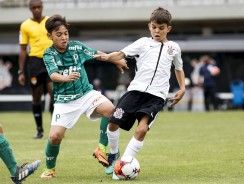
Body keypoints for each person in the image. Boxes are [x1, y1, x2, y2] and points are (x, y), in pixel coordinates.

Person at [95, 7, 186, 176]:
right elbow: (121, 53)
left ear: (168, 29)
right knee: (113, 122)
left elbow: (178, 69)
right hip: (135, 92)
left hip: (156, 97)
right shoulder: (142, 43)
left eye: (161, 28)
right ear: (149, 26)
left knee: (142, 129)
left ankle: (122, 165)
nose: (157, 31)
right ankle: (114, 154)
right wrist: (107, 57)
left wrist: (182, 88)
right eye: (154, 27)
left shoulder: (174, 48)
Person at [40, 15, 128, 179]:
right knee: (54, 137)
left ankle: (102, 148)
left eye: (66, 33)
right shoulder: (48, 54)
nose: (64, 37)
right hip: (64, 101)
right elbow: (53, 75)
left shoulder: (77, 47)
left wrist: (115, 61)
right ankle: (49, 168)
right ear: (49, 36)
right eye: (59, 34)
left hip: (86, 94)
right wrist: (65, 78)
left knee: (111, 111)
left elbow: (97, 54)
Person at [18, 0, 53, 139]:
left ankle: (55, 128)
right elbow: (22, 49)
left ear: (42, 7)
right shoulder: (25, 25)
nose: (37, 10)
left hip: (50, 60)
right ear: (30, 9)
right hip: (35, 63)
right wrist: (21, 71)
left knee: (54, 95)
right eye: (34, 8)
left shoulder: (50, 21)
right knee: (36, 97)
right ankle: (39, 130)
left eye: (39, 7)